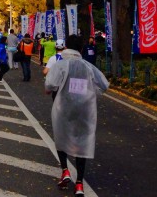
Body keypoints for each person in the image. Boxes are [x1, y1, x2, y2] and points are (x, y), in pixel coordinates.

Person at [45, 34, 109, 196]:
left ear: (66, 46)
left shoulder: (60, 65)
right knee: (82, 143)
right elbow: (104, 85)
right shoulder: (88, 67)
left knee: (61, 138)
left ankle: (65, 170)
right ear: (81, 48)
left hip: (63, 109)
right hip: (84, 110)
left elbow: (49, 86)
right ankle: (79, 183)